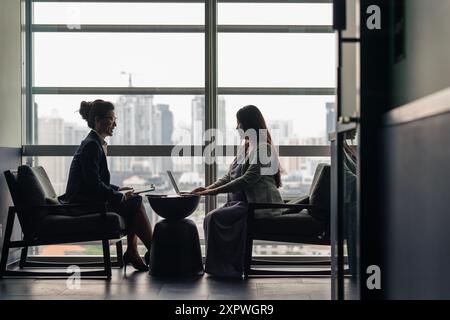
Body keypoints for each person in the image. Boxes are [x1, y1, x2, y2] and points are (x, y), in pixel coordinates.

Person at [60, 99, 153, 272]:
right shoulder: (91, 146)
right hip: (81, 204)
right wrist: (119, 195)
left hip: (87, 199)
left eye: (114, 118)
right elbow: (93, 185)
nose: (115, 123)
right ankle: (153, 251)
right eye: (110, 119)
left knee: (135, 200)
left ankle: (136, 251)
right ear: (98, 120)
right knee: (136, 203)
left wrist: (119, 190)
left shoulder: (95, 143)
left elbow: (95, 181)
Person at [193, 105, 284, 278]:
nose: (237, 127)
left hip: (255, 205)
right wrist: (207, 189)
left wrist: (213, 192)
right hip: (240, 203)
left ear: (248, 125)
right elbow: (230, 176)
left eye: (239, 123)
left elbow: (248, 179)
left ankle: (229, 267)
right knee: (209, 218)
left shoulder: (263, 148)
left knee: (213, 218)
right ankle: (223, 266)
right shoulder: (246, 147)